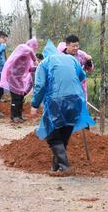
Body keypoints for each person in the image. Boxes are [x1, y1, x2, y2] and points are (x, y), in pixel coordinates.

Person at [31, 40, 96, 173]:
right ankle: (56, 167)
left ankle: (65, 166)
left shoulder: (44, 63)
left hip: (57, 100)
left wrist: (35, 104)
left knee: (52, 134)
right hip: (77, 99)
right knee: (64, 132)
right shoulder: (71, 60)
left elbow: (40, 85)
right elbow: (82, 75)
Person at [0, 38, 38, 123]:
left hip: (19, 78)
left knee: (20, 97)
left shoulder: (28, 57)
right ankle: (14, 116)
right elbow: (28, 50)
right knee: (16, 97)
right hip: (12, 76)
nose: (34, 49)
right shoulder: (23, 48)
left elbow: (29, 69)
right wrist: (35, 60)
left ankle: (19, 115)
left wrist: (37, 68)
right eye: (34, 47)